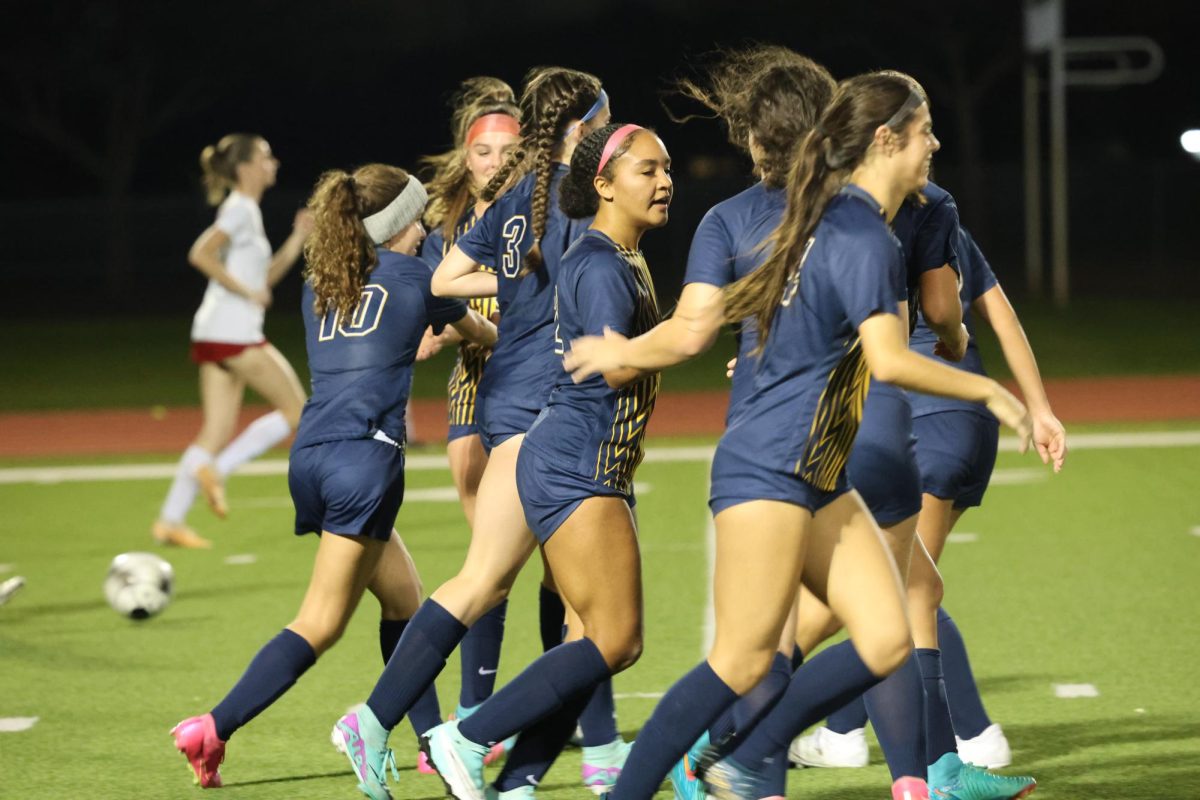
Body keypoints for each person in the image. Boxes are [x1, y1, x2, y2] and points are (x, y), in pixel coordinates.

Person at [582, 71, 1031, 800]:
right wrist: (986, 387)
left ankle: (744, 753)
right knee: (739, 660)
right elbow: (889, 358)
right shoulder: (856, 231)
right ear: (885, 141)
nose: (934, 145)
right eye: (924, 132)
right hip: (770, 467)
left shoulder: (833, 217)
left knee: (886, 639)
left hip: (822, 474)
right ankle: (664, 778)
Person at [331, 69, 631, 800]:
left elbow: (443, 282)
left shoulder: (516, 202)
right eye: (607, 119)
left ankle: (373, 722)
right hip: (555, 415)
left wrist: (512, 285)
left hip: (507, 405)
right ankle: (526, 753)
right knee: (594, 624)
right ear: (581, 125)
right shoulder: (581, 198)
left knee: (484, 580)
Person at [563, 44, 837, 800]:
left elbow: (701, 333)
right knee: (748, 651)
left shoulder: (769, 217)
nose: (664, 180)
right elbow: (686, 335)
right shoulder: (855, 214)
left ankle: (747, 764)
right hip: (782, 451)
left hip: (800, 445)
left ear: (760, 136)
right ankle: (714, 764)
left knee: (869, 628)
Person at [169, 163, 496, 790]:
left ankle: (430, 742)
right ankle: (213, 726)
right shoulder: (424, 276)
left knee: (405, 601)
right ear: (402, 224)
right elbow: (480, 330)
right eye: (421, 213)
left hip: (312, 455)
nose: (429, 223)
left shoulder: (323, 281)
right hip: (364, 462)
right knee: (319, 623)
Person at [793, 225, 1067, 772]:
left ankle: (968, 734)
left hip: (917, 419)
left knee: (897, 590)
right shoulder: (945, 219)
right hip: (968, 424)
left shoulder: (864, 225)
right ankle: (846, 729)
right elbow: (1002, 316)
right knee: (892, 585)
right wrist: (1038, 406)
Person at [416, 76, 524, 741]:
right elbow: (439, 304)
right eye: (483, 151)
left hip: (542, 386)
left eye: (507, 150)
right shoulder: (443, 225)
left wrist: (457, 324)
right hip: (478, 386)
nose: (494, 161)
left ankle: (578, 712)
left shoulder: (541, 214)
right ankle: (476, 711)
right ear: (466, 153)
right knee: (487, 561)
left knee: (559, 570)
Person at [152, 134, 310, 549]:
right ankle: (217, 471)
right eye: (265, 156)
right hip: (234, 331)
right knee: (301, 413)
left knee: (217, 429)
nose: (273, 162)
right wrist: (246, 291)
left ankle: (170, 520)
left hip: (216, 330)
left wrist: (296, 240)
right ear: (245, 168)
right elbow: (200, 253)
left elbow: (264, 282)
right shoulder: (239, 209)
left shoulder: (248, 212)